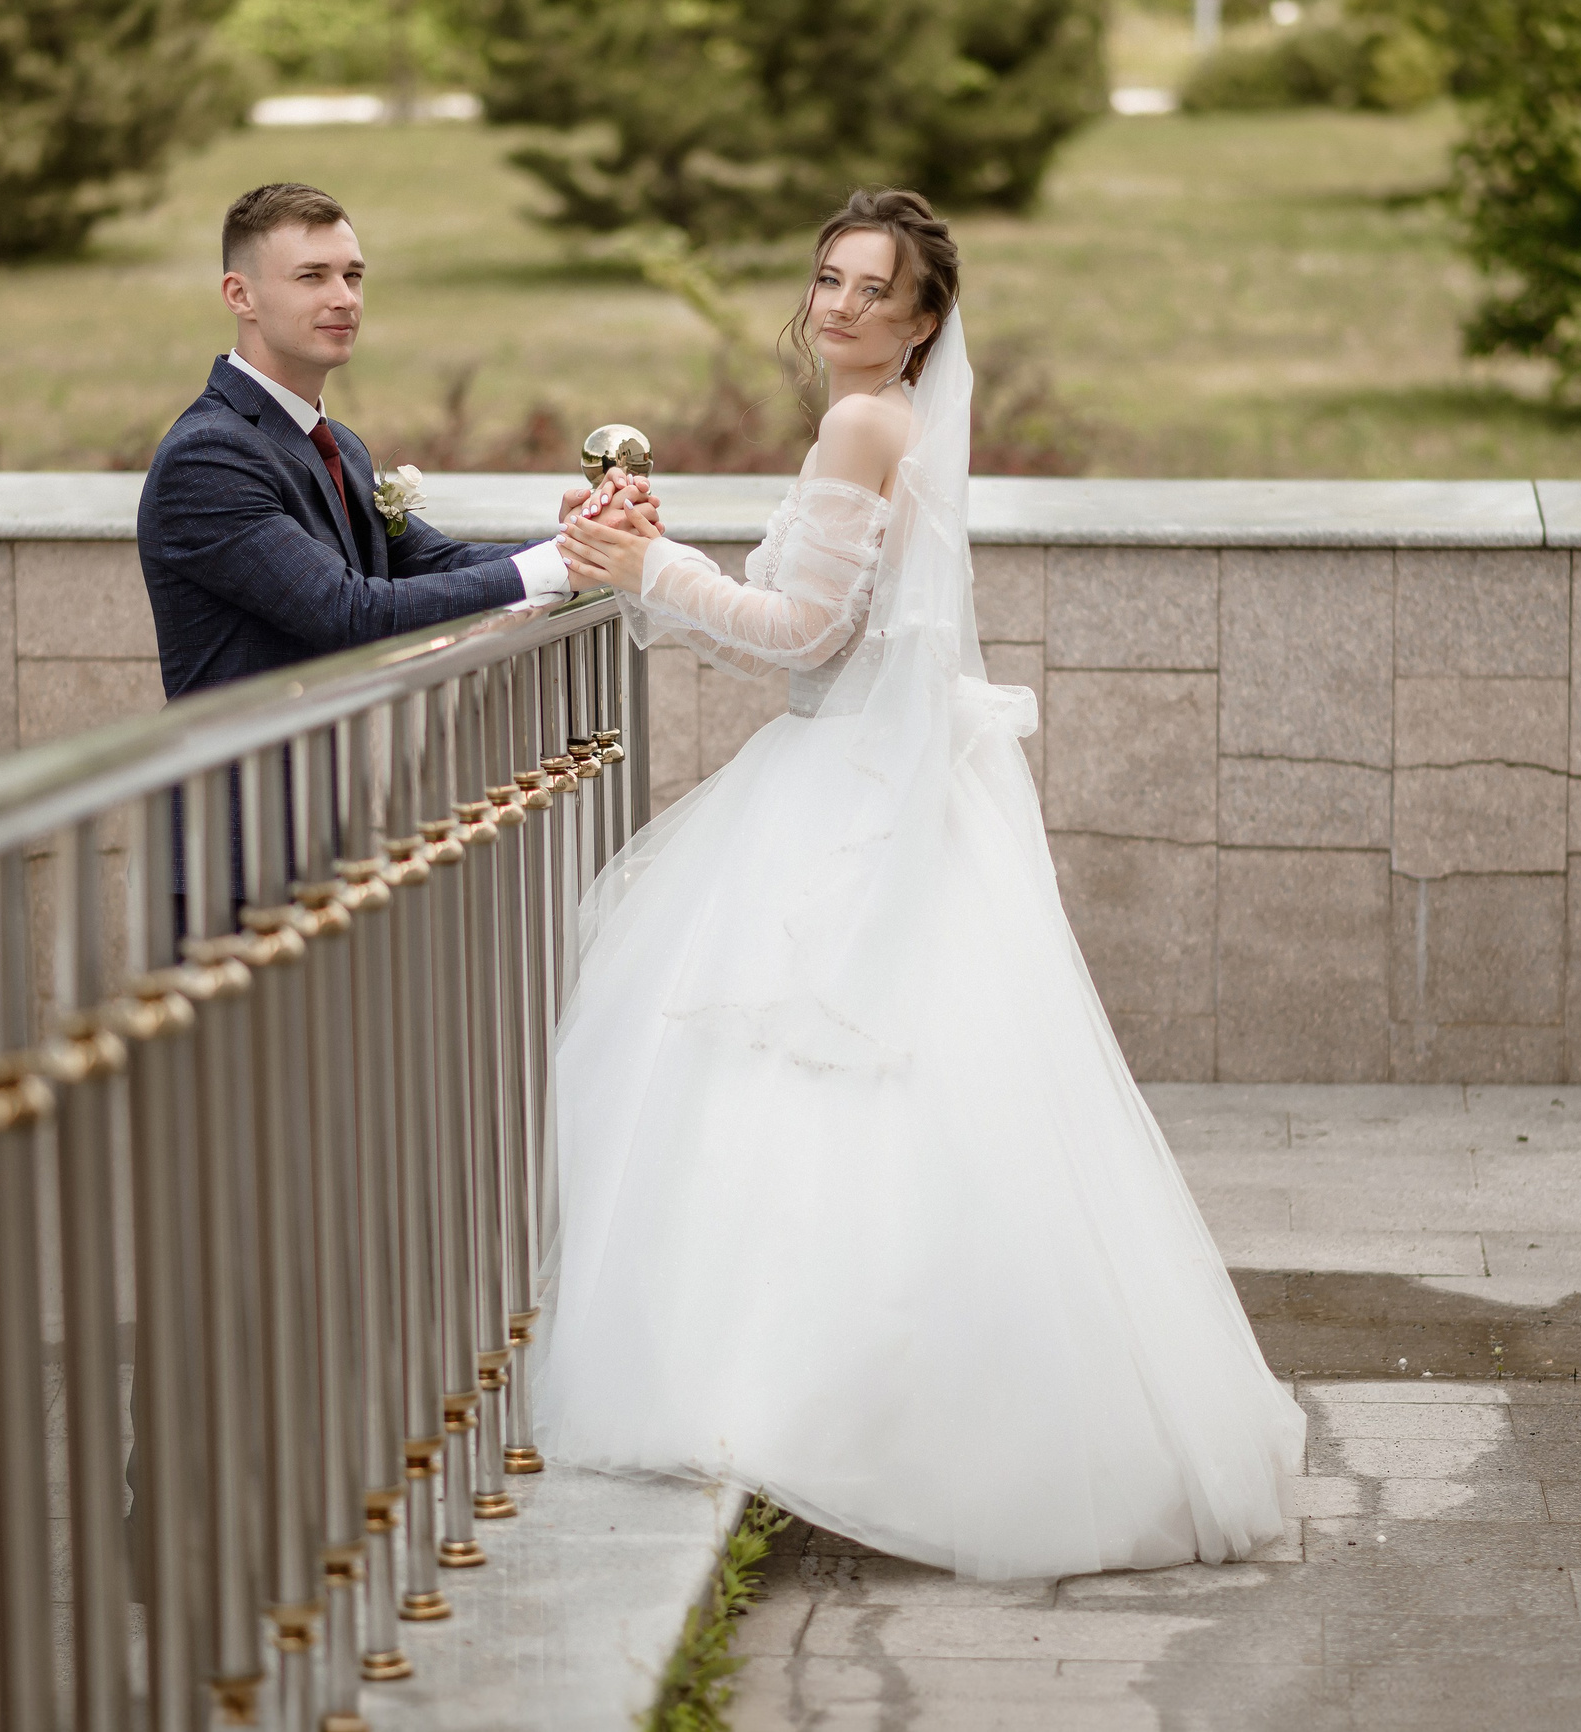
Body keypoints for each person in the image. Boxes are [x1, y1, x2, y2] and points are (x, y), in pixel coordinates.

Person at [533, 188, 1305, 1581]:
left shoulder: (863, 423)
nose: (834, 306)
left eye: (868, 290)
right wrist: (644, 569)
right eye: (824, 279)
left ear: (922, 321)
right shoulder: (882, 427)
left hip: (842, 792)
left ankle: (796, 1405)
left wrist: (652, 565)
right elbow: (824, 632)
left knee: (781, 1081)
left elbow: (805, 630)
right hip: (872, 772)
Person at [137, 181, 655, 703]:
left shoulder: (338, 443)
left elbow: (438, 563)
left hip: (344, 773)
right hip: (253, 780)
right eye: (312, 277)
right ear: (239, 294)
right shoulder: (207, 457)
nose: (343, 298)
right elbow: (349, 613)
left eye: (353, 276)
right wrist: (561, 566)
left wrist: (584, 542)